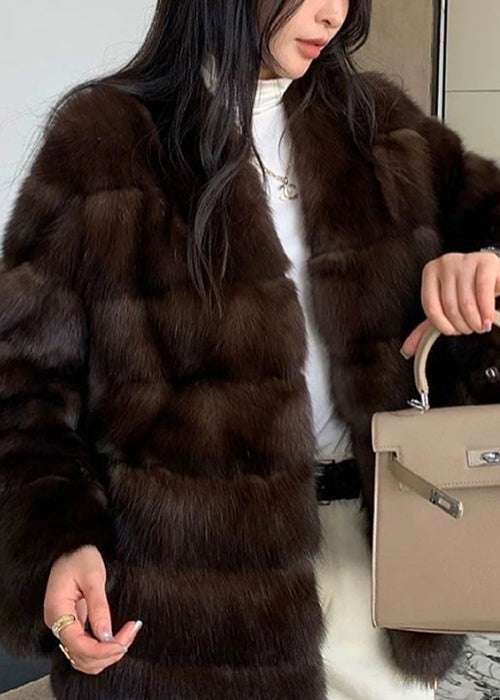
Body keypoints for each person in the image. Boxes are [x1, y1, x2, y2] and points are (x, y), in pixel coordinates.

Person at [1, 0, 500, 698]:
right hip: (183, 610)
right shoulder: (104, 146)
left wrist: (488, 263)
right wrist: (59, 541)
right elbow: (21, 388)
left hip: (383, 581)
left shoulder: (381, 129)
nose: (334, 13)